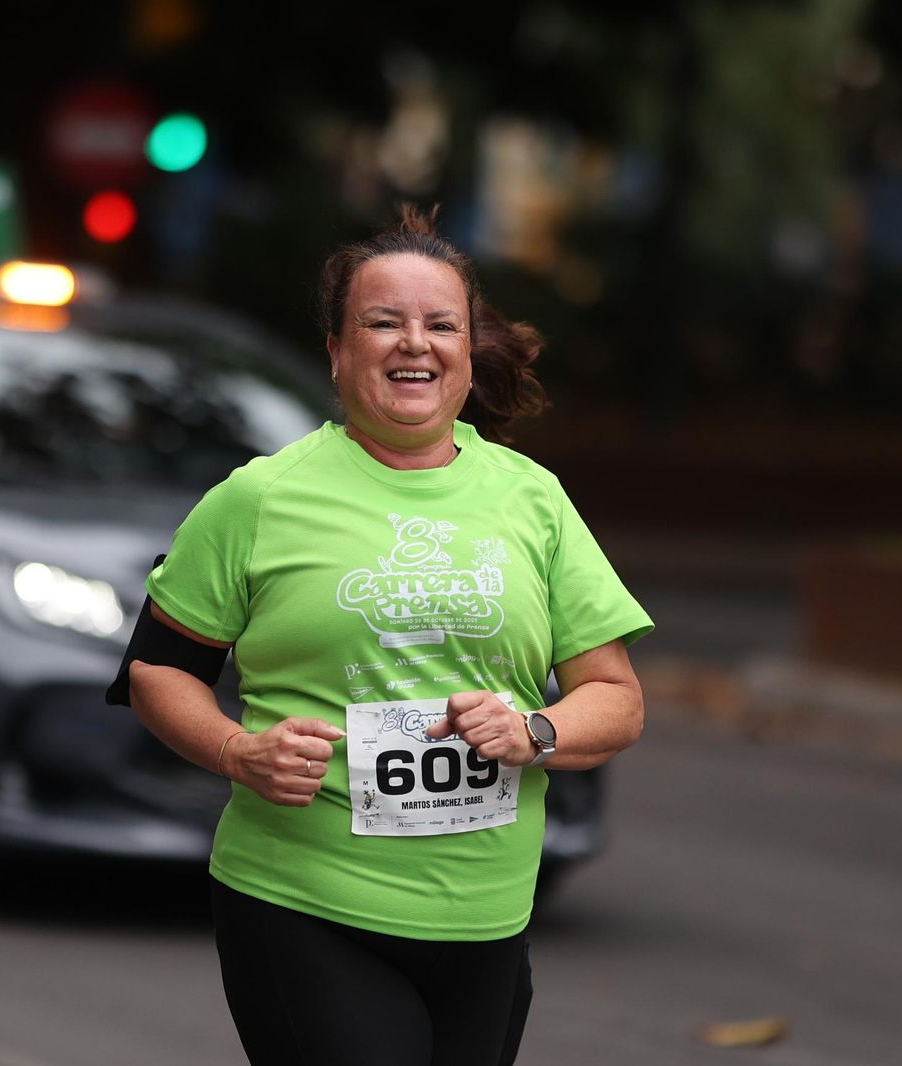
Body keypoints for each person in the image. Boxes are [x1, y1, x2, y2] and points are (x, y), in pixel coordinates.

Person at [109, 204, 653, 1065]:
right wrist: (237, 753)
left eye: (441, 324)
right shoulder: (260, 498)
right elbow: (155, 670)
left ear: (468, 351)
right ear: (337, 350)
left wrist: (533, 730)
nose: (414, 343)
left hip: (487, 913)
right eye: (383, 322)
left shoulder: (534, 499)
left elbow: (615, 699)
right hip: (304, 902)